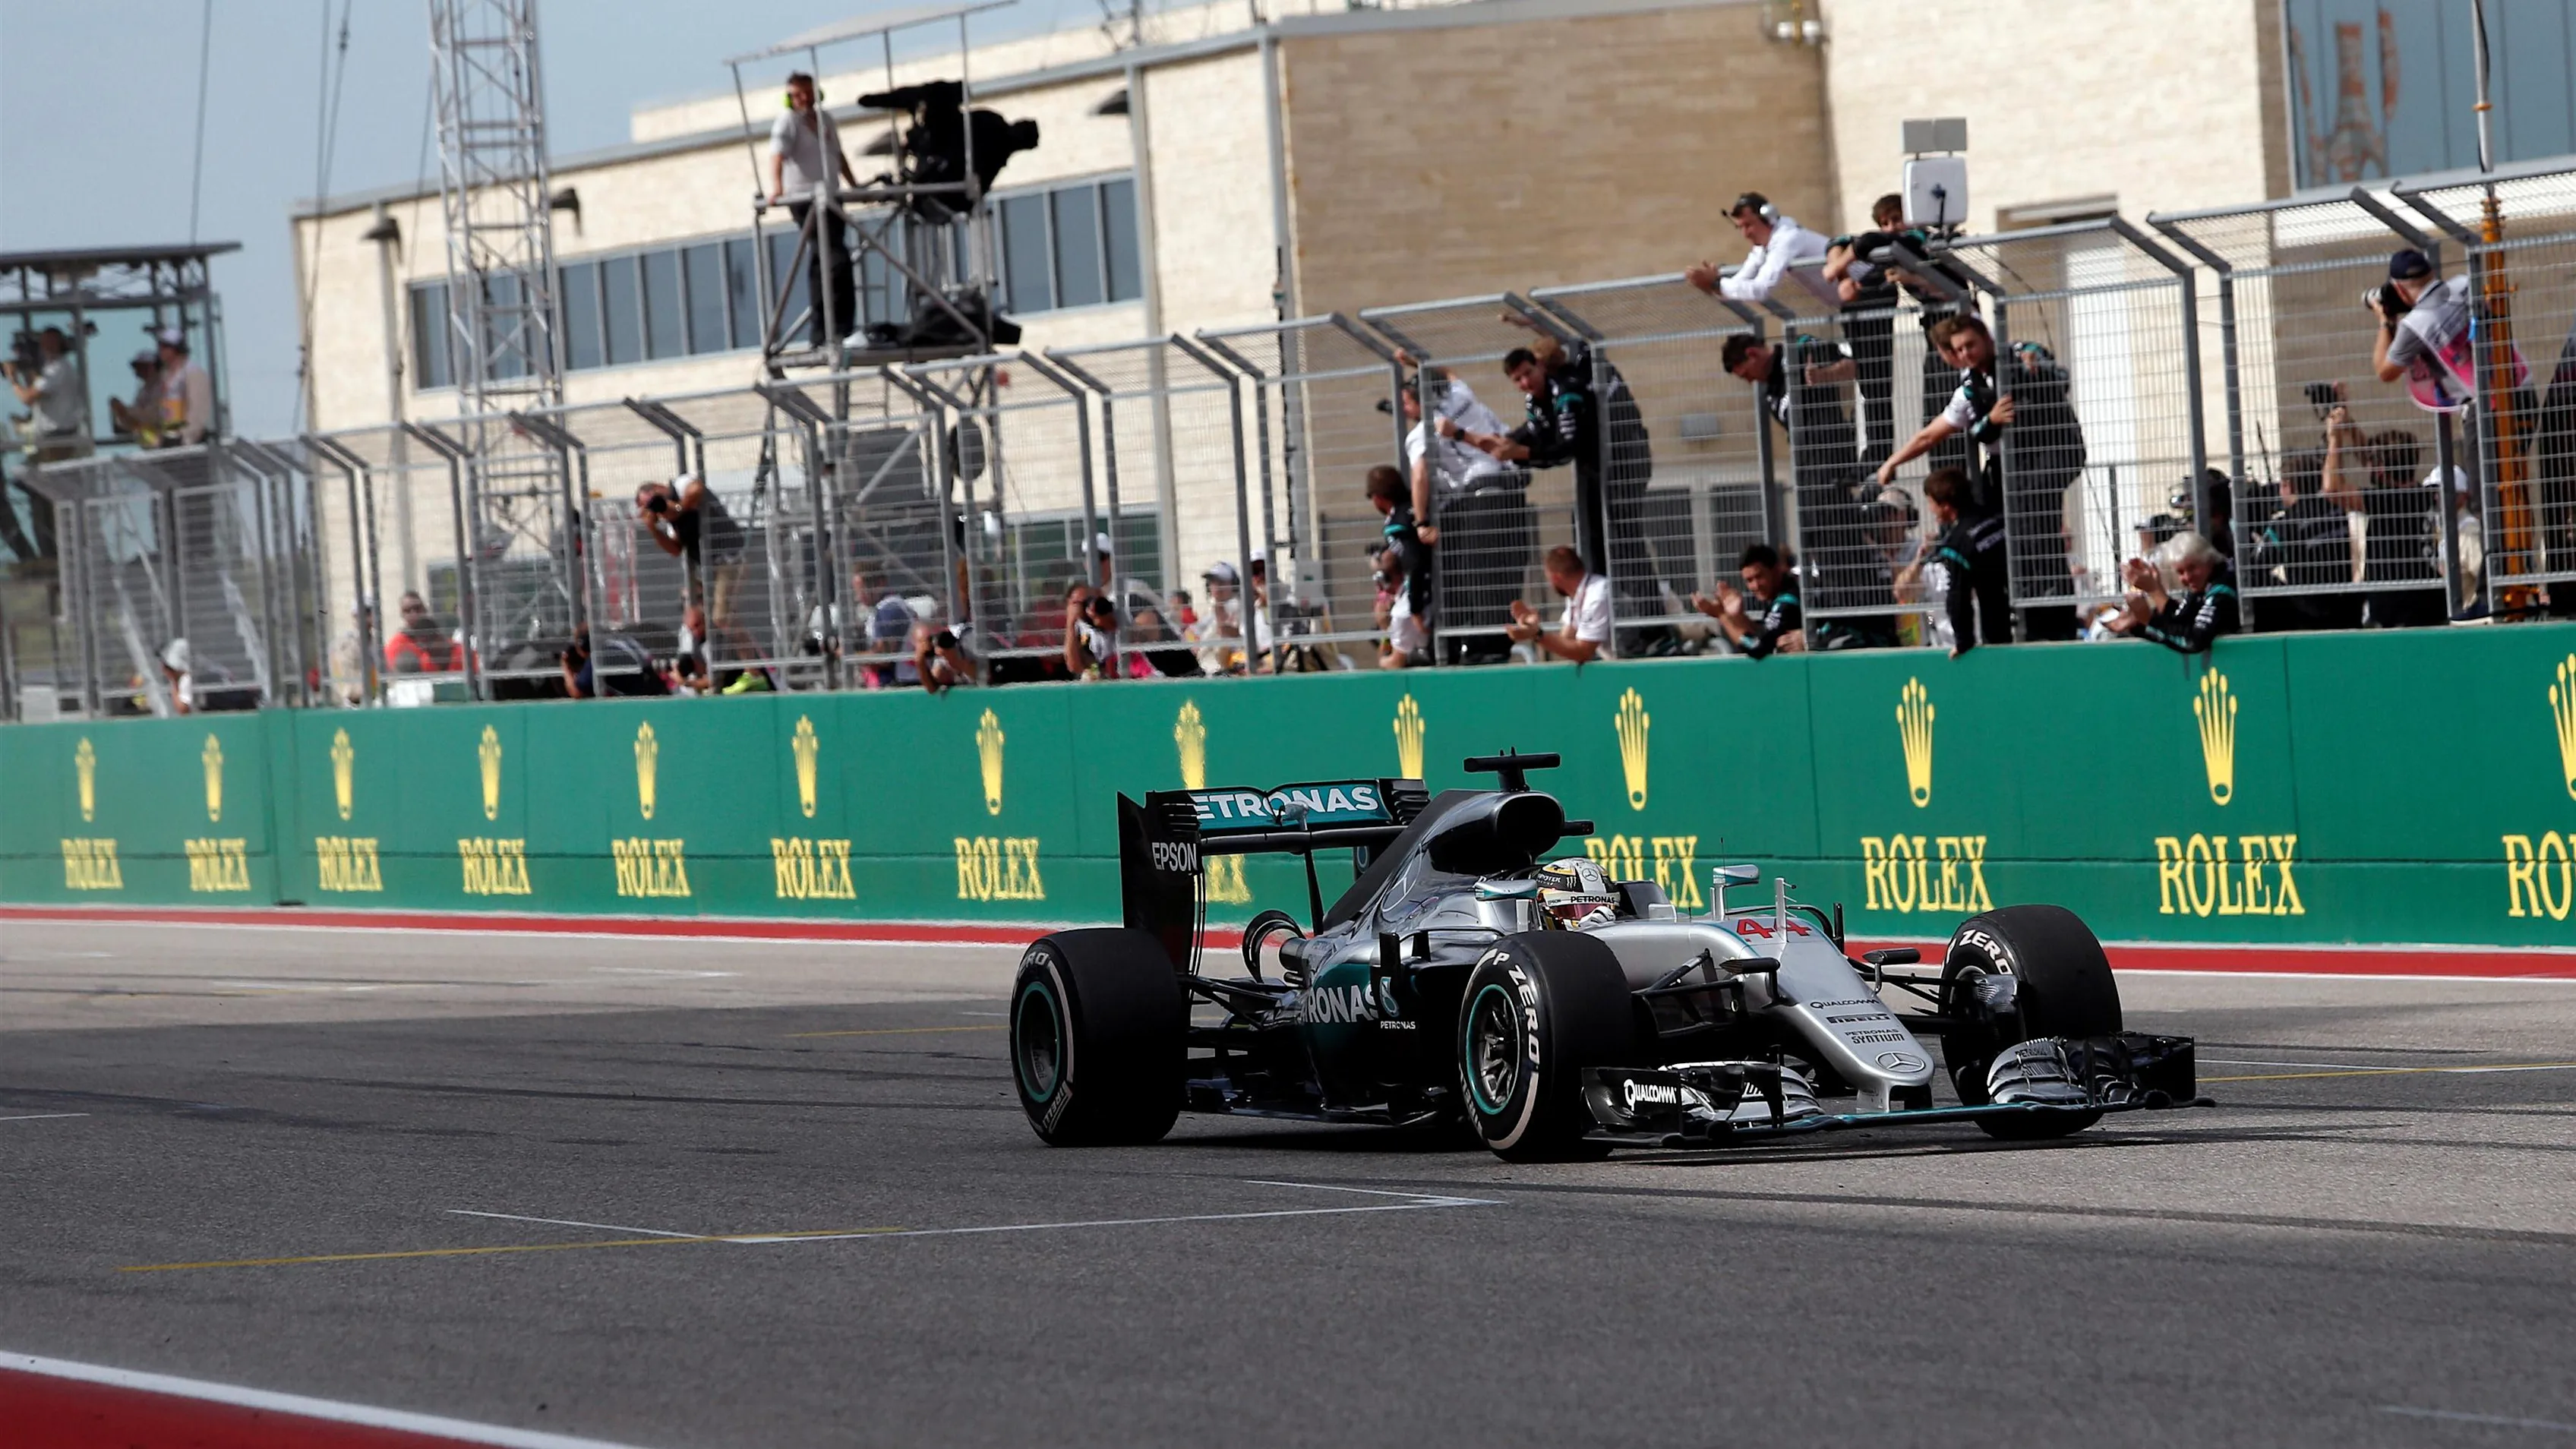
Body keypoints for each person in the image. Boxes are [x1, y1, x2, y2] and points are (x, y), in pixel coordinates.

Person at [1875, 313, 2086, 639]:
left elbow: (2048, 366)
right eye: (1959, 350)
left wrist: (2034, 362)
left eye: (1971, 345)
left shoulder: (2018, 355)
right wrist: (1892, 462)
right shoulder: (1970, 389)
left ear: (1987, 338)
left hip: (2050, 455)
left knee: (2036, 531)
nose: (1966, 354)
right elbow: (1938, 435)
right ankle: (2013, 612)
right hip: (2011, 469)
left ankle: (2052, 619)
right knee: (1992, 530)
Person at [1394, 361, 1525, 665]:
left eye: (1406, 401)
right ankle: (1501, 641)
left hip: (1481, 493)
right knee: (1507, 568)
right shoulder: (1461, 394)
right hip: (1512, 486)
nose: (1402, 408)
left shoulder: (1422, 434)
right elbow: (1450, 372)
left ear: (1420, 402)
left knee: (1476, 571)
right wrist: (1417, 363)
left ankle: (1484, 646)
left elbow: (1420, 476)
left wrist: (1422, 520)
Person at [767, 71, 862, 348]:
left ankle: (825, 331)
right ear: (789, 98)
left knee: (823, 261)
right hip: (806, 200)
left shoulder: (826, 119)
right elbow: (777, 155)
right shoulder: (788, 122)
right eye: (797, 94)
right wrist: (777, 188)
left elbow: (838, 155)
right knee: (834, 258)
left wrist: (853, 184)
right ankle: (836, 329)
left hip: (831, 196)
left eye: (808, 92)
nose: (804, 99)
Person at [636, 474, 747, 626]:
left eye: (655, 500)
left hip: (729, 558)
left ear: (658, 487)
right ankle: (741, 648)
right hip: (708, 567)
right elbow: (675, 550)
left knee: (721, 617)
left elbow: (697, 490)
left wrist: (678, 507)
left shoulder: (681, 485)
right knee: (699, 611)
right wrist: (653, 529)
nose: (658, 508)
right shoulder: (671, 522)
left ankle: (745, 649)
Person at [2372, 249, 2477, 406]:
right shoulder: (2466, 283)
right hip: (2518, 381)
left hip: (2482, 407)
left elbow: (2385, 372)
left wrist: (2385, 322)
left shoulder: (2415, 324)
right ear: (2432, 272)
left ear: (2399, 289)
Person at [1922, 466, 2010, 652]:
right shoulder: (1997, 516)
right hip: (2024, 608)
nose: (1931, 510)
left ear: (1945, 506)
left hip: (1995, 626)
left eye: (1931, 503)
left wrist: (1963, 642)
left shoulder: (1956, 545)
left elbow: (1958, 597)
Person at [1684, 193, 1829, 306]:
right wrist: (1714, 285)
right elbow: (1737, 284)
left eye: (1749, 225)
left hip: (1852, 297)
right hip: (1847, 304)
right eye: (1740, 227)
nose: (1745, 234)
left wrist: (1716, 284)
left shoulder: (1788, 238)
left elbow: (1761, 289)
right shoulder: (1762, 248)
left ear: (1769, 217)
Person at [2116, 531, 2238, 654]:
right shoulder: (2200, 585)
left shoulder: (2223, 587)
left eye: (2192, 568)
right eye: (2180, 572)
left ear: (2209, 560)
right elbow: (2180, 621)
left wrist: (2150, 620)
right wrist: (2138, 624)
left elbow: (2194, 641)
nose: (2187, 577)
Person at [1691, 542, 1801, 658]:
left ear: (1775, 571)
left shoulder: (1787, 602)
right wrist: (1737, 616)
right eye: (1749, 580)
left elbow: (1756, 646)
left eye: (1760, 577)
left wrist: (1722, 616)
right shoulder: (1780, 597)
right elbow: (1763, 634)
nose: (1756, 586)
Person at [1506, 545, 1612, 664]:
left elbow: (1583, 652)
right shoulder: (1578, 594)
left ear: (1555, 578)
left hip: (1632, 664)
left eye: (1548, 578)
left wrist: (1537, 634)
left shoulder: (1596, 596)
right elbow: (1567, 640)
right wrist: (1532, 628)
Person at [8, 326, 90, 461]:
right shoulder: (52, 369)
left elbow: (28, 398)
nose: (46, 347)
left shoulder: (58, 369)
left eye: (51, 343)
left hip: (59, 437)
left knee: (50, 477)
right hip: (50, 436)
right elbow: (38, 388)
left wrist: (13, 380)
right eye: (44, 343)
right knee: (29, 473)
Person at [1372, 545, 1429, 669]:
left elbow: (1395, 663)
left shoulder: (1401, 612)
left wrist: (1384, 628)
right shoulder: (1419, 584)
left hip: (1429, 657)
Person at [155, 329, 215, 446]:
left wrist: (186, 437)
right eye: (160, 346)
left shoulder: (193, 373)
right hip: (168, 436)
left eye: (166, 347)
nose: (161, 351)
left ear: (176, 349)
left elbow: (198, 410)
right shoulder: (164, 376)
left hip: (188, 442)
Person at [383, 591, 461, 674]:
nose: (414, 614)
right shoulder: (395, 645)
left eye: (417, 608)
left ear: (425, 610)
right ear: (402, 615)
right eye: (407, 611)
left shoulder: (443, 642)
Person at [109, 349, 163, 446]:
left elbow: (152, 416)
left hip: (163, 443)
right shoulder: (143, 390)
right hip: (148, 444)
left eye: (140, 366)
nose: (137, 370)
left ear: (151, 367)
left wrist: (126, 411)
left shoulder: (163, 388)